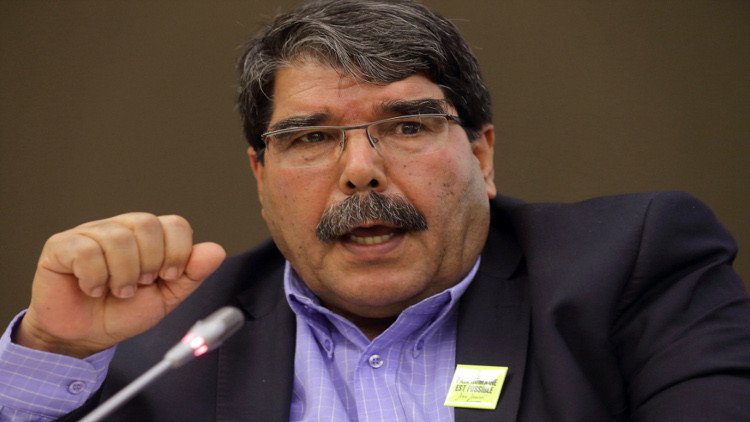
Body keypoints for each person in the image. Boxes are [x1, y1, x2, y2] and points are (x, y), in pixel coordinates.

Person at [1, 0, 749, 420]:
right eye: (310, 137)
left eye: (408, 126)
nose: (360, 170)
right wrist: (54, 349)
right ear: (260, 176)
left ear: (482, 156)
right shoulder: (163, 339)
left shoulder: (631, 267)